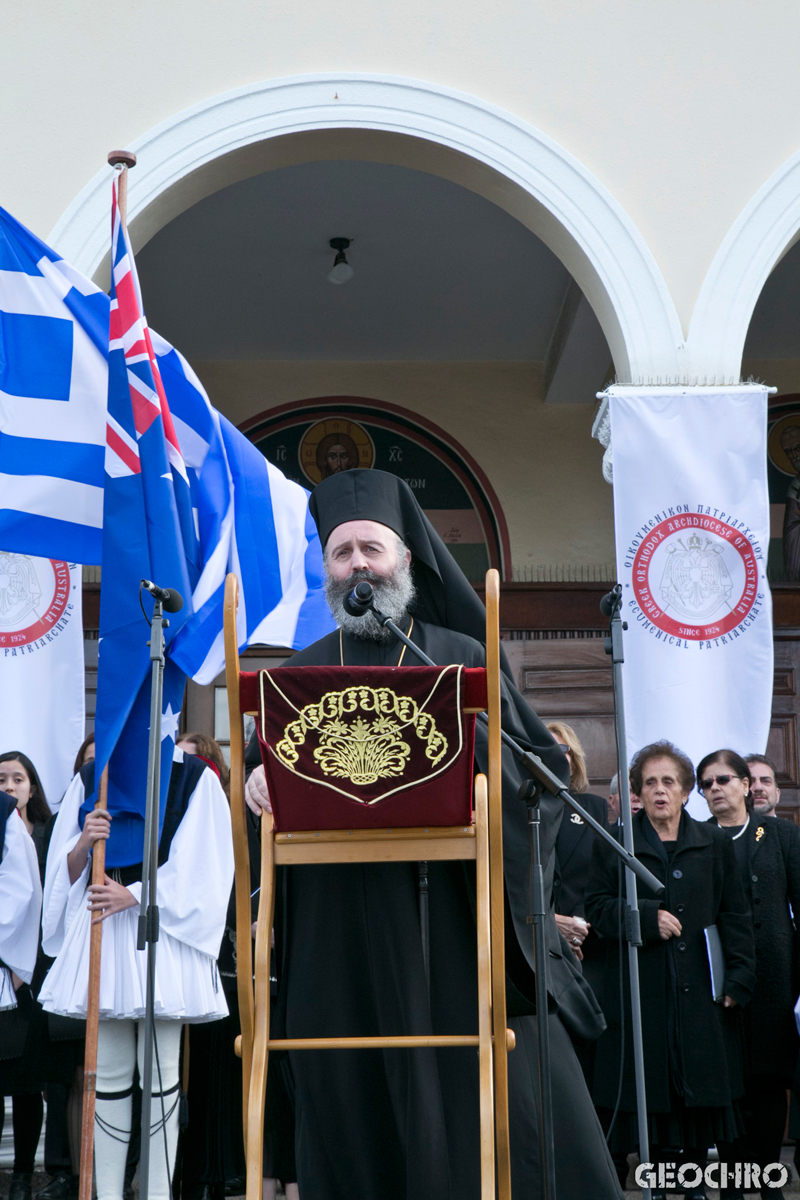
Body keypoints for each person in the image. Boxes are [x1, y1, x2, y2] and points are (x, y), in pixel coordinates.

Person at [244, 468, 621, 1200]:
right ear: (326, 569)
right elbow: (272, 777)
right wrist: (262, 782)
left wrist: (474, 763)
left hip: (447, 915)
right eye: (343, 551)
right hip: (338, 923)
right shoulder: (296, 675)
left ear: (406, 562)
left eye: (372, 549)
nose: (358, 563)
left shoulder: (458, 654)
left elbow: (536, 767)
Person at [38, 745, 234, 1200]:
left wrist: (142, 894)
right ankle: (108, 1194)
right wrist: (84, 841)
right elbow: (61, 874)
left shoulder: (194, 778)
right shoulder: (92, 777)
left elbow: (208, 863)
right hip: (104, 930)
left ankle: (157, 1193)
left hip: (162, 932)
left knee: (161, 1070)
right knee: (106, 1072)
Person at [585, 740, 756, 1200]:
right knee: (653, 1090)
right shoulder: (619, 843)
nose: (660, 790)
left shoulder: (714, 842)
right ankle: (656, 1183)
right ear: (639, 792)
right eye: (650, 782)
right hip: (642, 990)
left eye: (669, 782)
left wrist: (739, 979)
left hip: (703, 989)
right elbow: (596, 908)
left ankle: (696, 1183)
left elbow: (735, 915)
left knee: (699, 1090)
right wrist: (644, 918)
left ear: (684, 792)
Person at [699, 747, 800, 1196]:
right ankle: (736, 1183)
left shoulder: (779, 834)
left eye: (723, 780)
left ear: (745, 784)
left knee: (769, 1080)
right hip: (717, 979)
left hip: (775, 978)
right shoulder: (696, 838)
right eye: (707, 784)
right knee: (729, 1081)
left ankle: (769, 1177)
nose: (715, 789)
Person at [0, 753, 49, 1200]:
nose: (10, 785)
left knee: (27, 1082)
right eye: (2, 778)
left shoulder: (49, 836)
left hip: (32, 976)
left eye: (19, 778)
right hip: (3, 974)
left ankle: (21, 1176)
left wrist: (21, 968)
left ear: (32, 788)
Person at [546, 720, 607, 964]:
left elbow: (602, 878)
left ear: (573, 764)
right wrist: (550, 924)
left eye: (561, 750)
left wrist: (577, 927)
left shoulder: (594, 810)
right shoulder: (511, 814)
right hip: (530, 944)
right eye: (543, 750)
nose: (552, 756)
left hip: (586, 945)